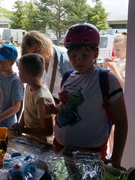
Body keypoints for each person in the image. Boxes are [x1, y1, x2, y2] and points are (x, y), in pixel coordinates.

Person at [46, 23, 128, 169]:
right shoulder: (67, 76)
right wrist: (56, 109)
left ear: (95, 54)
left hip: (90, 152)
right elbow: (69, 105)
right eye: (73, 55)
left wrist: (116, 158)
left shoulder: (106, 79)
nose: (78, 60)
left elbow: (121, 122)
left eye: (84, 55)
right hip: (60, 146)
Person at [12, 53, 55, 144]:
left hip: (42, 144)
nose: (18, 73)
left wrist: (24, 130)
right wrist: (20, 125)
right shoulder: (29, 85)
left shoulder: (42, 98)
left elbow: (48, 131)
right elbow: (27, 109)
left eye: (19, 71)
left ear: (26, 75)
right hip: (30, 139)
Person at [21, 31, 72, 103]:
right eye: (32, 54)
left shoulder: (65, 61)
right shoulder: (34, 61)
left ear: (44, 44)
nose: (36, 56)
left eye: (37, 51)